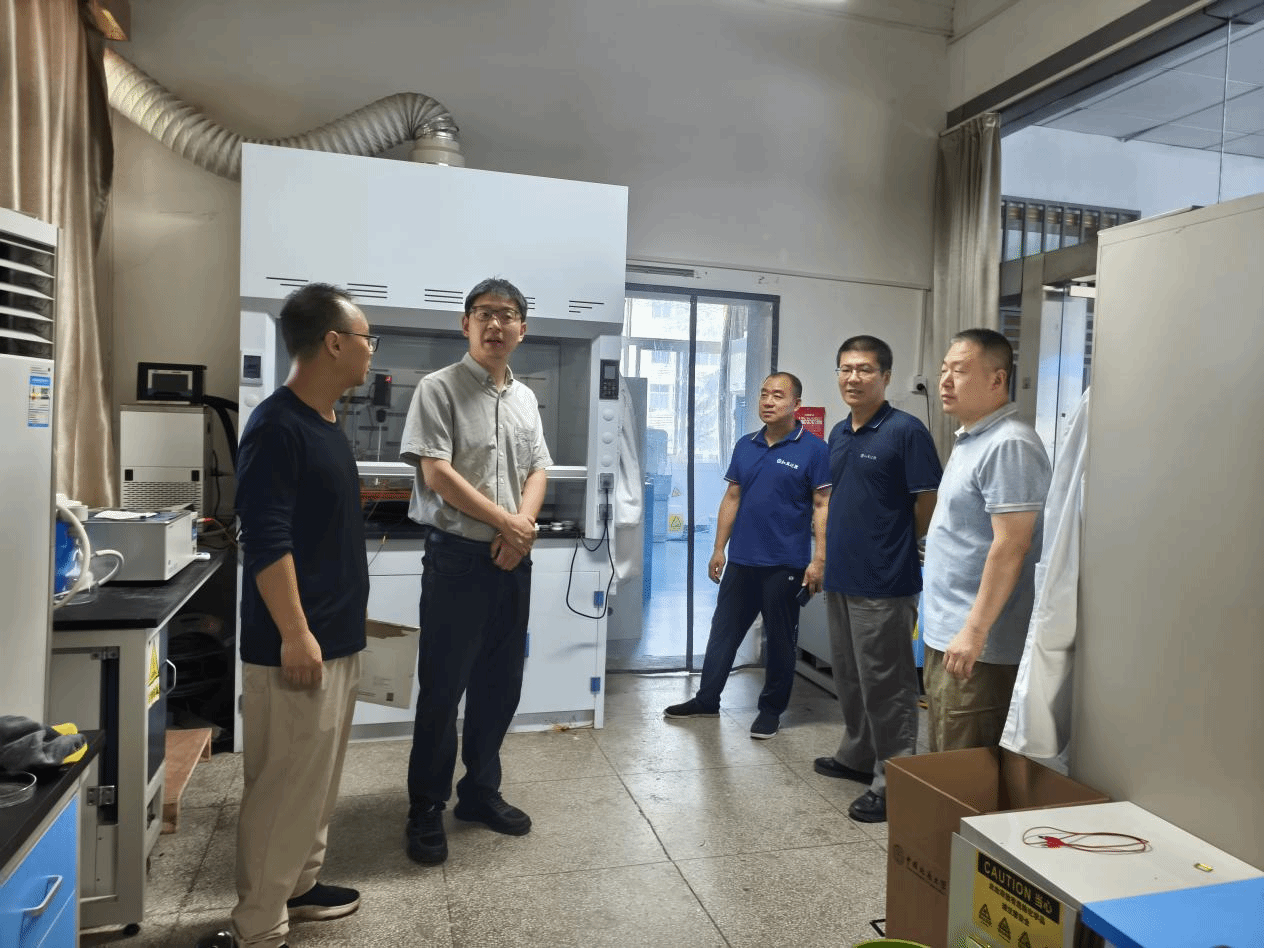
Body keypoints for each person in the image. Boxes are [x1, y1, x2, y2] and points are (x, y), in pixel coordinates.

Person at [198, 283, 374, 948]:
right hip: (298, 645)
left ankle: (299, 887)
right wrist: (297, 634)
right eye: (366, 337)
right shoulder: (277, 426)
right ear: (334, 342)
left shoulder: (323, 421)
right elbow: (266, 538)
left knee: (315, 783)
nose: (371, 350)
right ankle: (257, 928)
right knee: (282, 787)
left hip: (336, 638)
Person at [399, 277, 551, 866]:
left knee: (500, 684)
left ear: (522, 329)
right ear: (465, 324)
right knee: (443, 689)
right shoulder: (437, 388)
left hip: (513, 561)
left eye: (507, 315)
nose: (495, 325)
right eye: (484, 314)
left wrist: (521, 529)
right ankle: (425, 805)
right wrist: (507, 525)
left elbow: (538, 469)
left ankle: (480, 793)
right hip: (458, 560)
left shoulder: (525, 398)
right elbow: (437, 474)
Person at [813, 336, 942, 824]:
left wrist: (899, 543)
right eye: (845, 369)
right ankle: (857, 754)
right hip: (843, 575)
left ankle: (894, 780)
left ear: (885, 377)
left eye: (864, 369)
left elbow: (927, 500)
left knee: (887, 684)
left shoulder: (906, 431)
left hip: (885, 580)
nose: (853, 378)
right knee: (850, 676)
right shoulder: (839, 433)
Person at [663, 372, 830, 739]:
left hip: (785, 563)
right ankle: (707, 700)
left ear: (796, 404)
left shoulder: (814, 449)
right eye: (764, 394)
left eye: (778, 395)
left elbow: (822, 505)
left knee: (780, 641)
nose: (768, 401)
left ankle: (770, 711)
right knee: (723, 632)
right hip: (742, 560)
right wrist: (718, 548)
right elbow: (732, 497)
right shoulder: (746, 445)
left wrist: (819, 560)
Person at [922, 328, 1052, 751]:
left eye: (959, 371)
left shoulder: (1010, 444)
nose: (945, 380)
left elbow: (1012, 545)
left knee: (965, 765)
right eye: (943, 370)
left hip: (979, 646)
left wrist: (974, 633)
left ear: (997, 379)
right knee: (945, 757)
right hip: (950, 632)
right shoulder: (973, 439)